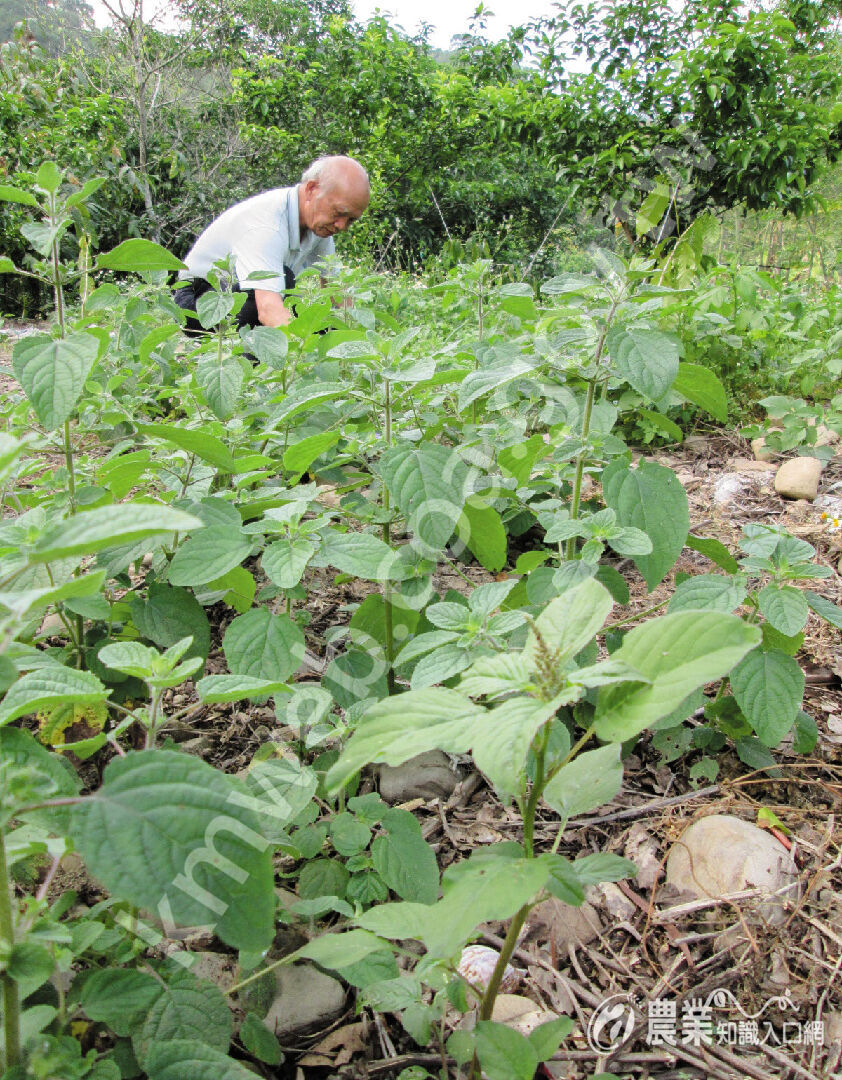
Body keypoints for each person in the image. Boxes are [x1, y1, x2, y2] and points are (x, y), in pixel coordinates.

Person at [173, 155, 370, 333]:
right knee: (285, 283)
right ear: (311, 189)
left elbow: (336, 293)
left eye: (351, 220)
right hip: (198, 301)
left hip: (242, 296)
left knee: (317, 318)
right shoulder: (267, 224)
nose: (342, 226)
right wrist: (304, 352)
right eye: (339, 213)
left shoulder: (321, 225)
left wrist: (355, 340)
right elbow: (268, 309)